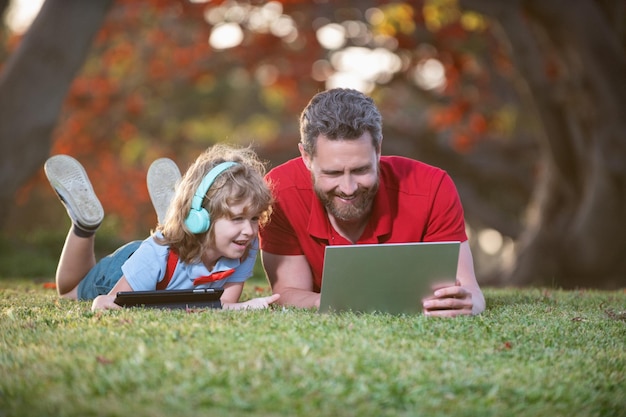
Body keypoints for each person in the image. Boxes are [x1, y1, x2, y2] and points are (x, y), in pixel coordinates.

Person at [258, 88, 485, 317]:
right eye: (333, 173)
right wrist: (339, 304)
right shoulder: (280, 192)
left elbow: (470, 292)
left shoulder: (432, 188)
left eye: (360, 170)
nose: (348, 188)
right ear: (306, 157)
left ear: (378, 150)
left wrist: (467, 304)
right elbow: (287, 291)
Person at [45, 144, 280, 311]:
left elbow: (222, 304)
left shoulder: (244, 245)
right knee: (68, 291)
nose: (249, 230)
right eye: (237, 219)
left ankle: (172, 219)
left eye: (254, 218)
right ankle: (84, 226)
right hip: (131, 266)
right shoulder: (155, 256)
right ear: (200, 218)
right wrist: (104, 302)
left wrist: (240, 307)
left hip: (168, 263)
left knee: (168, 254)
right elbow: (108, 303)